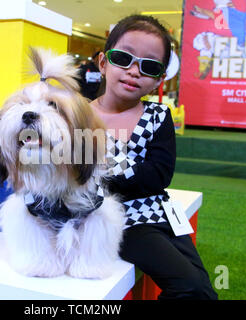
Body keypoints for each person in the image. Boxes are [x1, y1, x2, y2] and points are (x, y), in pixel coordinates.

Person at [90, 15, 218, 300]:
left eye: (149, 66)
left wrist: (105, 179)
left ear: (160, 78)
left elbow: (159, 174)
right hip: (118, 220)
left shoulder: (158, 116)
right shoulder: (78, 117)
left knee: (203, 291)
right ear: (103, 63)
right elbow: (71, 178)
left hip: (160, 213)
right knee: (189, 288)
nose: (134, 71)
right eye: (123, 58)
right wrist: (128, 179)